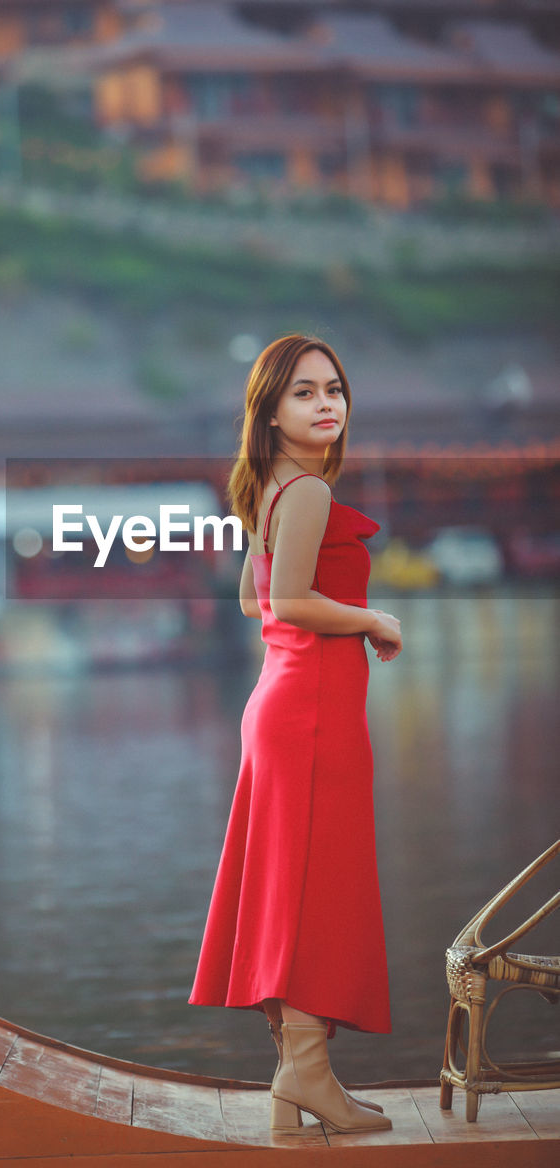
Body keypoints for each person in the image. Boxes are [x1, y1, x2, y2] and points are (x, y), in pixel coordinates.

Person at [189, 333, 402, 1135]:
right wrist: (372, 619)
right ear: (270, 414)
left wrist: (328, 617)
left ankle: (296, 1079)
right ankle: (306, 1072)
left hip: (280, 704)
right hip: (310, 712)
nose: (327, 405)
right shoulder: (305, 494)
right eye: (305, 392)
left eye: (335, 390)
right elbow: (289, 599)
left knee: (289, 886)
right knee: (320, 889)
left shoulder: (273, 489)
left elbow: (254, 602)